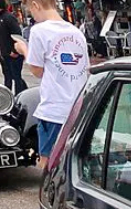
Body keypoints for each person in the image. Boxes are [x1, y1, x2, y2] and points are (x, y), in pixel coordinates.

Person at [12, 0, 89, 168]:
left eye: (30, 11)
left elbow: (37, 71)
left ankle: (49, 193)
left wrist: (24, 49)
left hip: (54, 110)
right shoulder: (76, 32)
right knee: (74, 161)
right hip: (79, 108)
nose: (32, 16)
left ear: (35, 5)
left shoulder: (39, 31)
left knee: (48, 163)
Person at [1, 2, 27, 93]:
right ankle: (7, 99)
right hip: (4, 54)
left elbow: (17, 34)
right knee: (8, 77)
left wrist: (14, 51)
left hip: (13, 54)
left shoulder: (8, 17)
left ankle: (19, 96)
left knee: (16, 77)